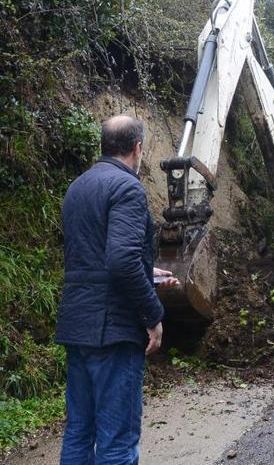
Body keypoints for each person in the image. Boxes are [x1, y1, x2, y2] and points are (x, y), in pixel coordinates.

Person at [56, 115, 179, 464]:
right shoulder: (126, 188)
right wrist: (153, 314)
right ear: (137, 148)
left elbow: (95, 254)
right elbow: (120, 261)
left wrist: (145, 269)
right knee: (117, 441)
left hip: (77, 326)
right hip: (112, 331)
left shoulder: (78, 186)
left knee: (79, 431)